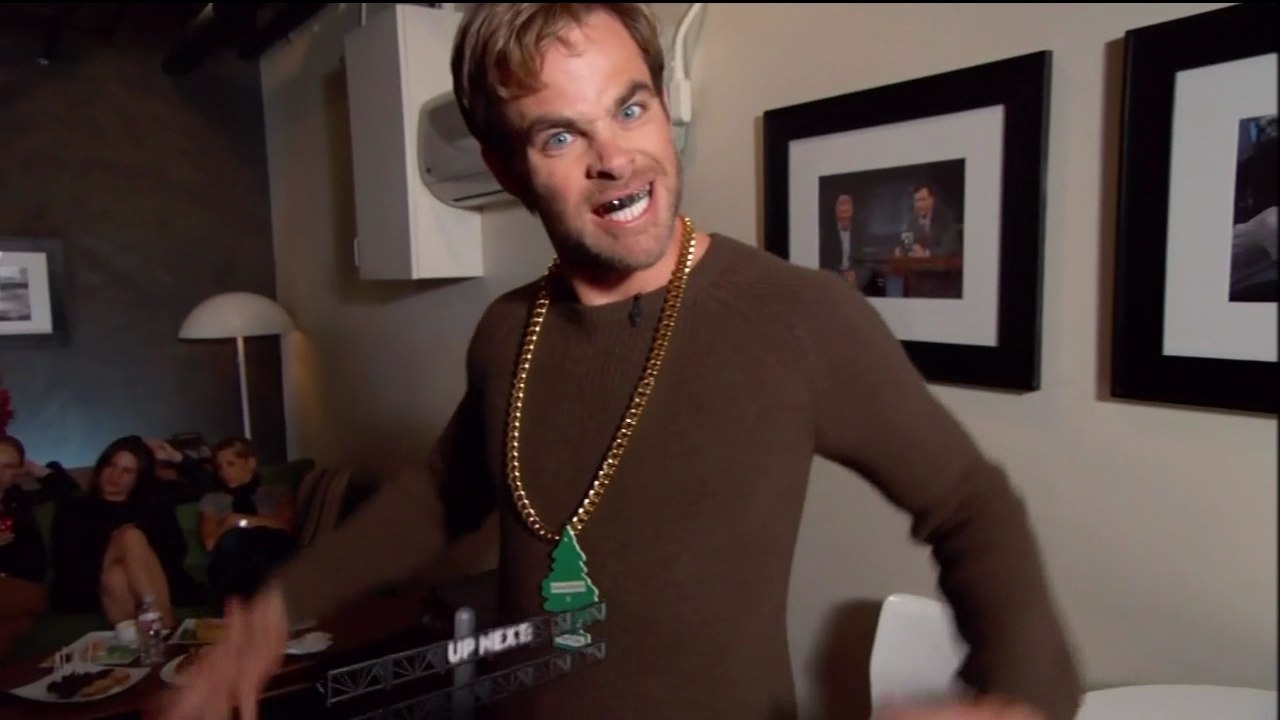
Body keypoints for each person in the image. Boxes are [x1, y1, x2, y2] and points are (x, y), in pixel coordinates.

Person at [159, 4, 1082, 720]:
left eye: (630, 107)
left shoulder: (796, 317)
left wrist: (1022, 695)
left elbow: (970, 502)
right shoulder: (507, 332)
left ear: (662, 108)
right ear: (508, 168)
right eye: (560, 135)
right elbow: (438, 497)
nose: (615, 158)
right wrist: (277, 609)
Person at [48, 436, 204, 628]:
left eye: (127, 471)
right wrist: (118, 550)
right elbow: (67, 561)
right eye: (111, 466)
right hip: (89, 585)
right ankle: (165, 625)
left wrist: (175, 457)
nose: (115, 475)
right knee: (129, 537)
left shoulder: (154, 505)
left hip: (148, 580)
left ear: (139, 477)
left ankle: (140, 640)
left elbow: (206, 485)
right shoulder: (74, 507)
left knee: (118, 573)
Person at [196, 437, 296, 606]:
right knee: (232, 540)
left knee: (274, 541)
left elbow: (286, 527)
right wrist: (228, 522)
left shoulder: (277, 493)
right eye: (220, 467)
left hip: (270, 557)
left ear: (250, 462)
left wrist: (241, 520)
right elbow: (210, 544)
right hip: (232, 563)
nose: (224, 472)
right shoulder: (213, 500)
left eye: (231, 464)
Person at [0, 435, 53, 659]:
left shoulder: (20, 501)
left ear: (19, 470)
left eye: (8, 466)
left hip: (24, 585)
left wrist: (37, 470)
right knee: (11, 627)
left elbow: (68, 489)